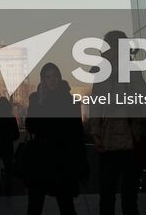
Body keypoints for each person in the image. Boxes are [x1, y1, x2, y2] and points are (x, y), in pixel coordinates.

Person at [88, 31, 145, 215]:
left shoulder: (132, 70)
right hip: (107, 142)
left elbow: (140, 99)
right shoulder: (101, 73)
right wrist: (96, 134)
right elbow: (95, 105)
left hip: (129, 141)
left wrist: (136, 133)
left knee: (129, 197)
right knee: (106, 194)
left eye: (109, 46)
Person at [24, 62, 88, 215]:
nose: (52, 79)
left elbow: (77, 134)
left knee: (66, 205)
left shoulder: (70, 101)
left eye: (55, 76)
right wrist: (39, 103)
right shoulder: (36, 99)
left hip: (63, 162)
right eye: (48, 76)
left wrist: (81, 163)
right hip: (40, 161)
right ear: (43, 80)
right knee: (34, 206)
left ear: (59, 78)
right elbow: (31, 127)